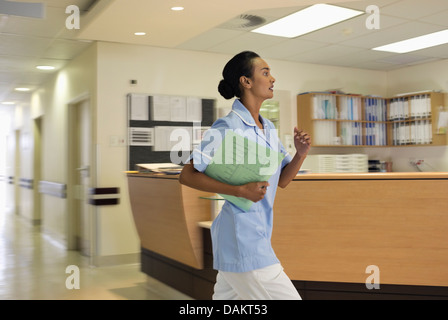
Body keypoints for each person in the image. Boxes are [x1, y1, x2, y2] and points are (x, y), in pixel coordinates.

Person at [179, 51, 311, 300]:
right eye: (265, 72)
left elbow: (282, 180)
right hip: (243, 238)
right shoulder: (227, 126)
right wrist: (240, 191)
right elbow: (187, 175)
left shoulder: (268, 127)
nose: (273, 78)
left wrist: (300, 154)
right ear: (246, 82)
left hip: (255, 235)